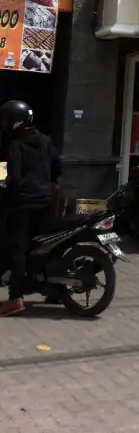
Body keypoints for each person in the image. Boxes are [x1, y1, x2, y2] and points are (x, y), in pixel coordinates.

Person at [0, 100, 61, 317]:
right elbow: (57, 168)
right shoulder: (45, 141)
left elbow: (12, 177)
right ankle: (54, 290)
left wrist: (5, 185)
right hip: (47, 201)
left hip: (24, 204)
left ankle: (15, 298)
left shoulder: (14, 145)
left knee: (19, 249)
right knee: (46, 244)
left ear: (13, 122)